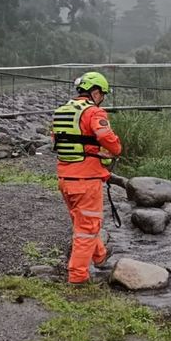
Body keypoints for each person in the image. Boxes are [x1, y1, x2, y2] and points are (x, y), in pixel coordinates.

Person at [52, 71, 122, 284]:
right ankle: (77, 278)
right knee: (87, 228)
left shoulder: (62, 111)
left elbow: (59, 140)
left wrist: (91, 148)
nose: (102, 99)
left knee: (83, 223)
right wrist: (115, 150)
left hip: (66, 179)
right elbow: (106, 137)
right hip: (86, 180)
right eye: (103, 94)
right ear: (95, 92)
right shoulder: (94, 113)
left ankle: (100, 257)